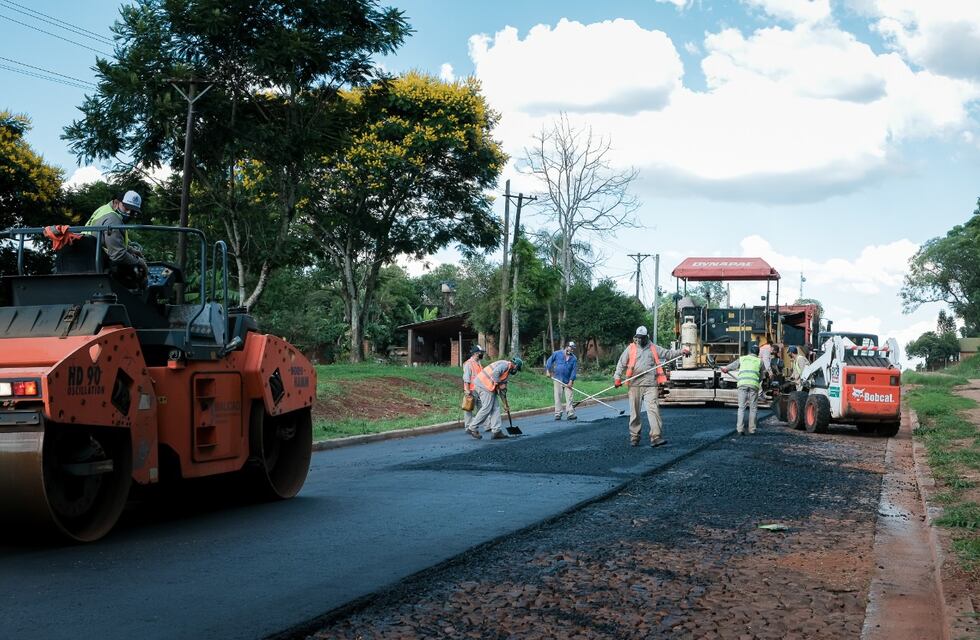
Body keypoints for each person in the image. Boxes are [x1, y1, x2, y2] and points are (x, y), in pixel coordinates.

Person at [614, 326, 688, 447]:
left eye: (642, 338)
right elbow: (621, 363)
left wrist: (681, 352)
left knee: (653, 410)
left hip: (650, 384)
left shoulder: (653, 348)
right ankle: (634, 437)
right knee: (635, 412)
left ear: (647, 337)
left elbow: (668, 354)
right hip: (634, 385)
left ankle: (656, 437)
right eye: (638, 338)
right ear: (635, 337)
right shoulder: (631, 348)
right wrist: (617, 377)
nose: (640, 340)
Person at [85, 190, 147, 289]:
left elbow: (106, 241)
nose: (128, 213)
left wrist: (130, 249)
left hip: (87, 257)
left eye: (133, 211)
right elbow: (118, 255)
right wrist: (139, 262)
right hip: (97, 264)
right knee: (136, 277)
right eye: (126, 207)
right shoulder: (114, 220)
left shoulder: (103, 209)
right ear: (116, 202)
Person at [467, 357, 524, 440]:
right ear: (515, 365)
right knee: (487, 407)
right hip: (483, 384)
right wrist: (499, 384)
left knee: (496, 408)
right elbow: (495, 373)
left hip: (488, 387)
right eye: (517, 368)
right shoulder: (504, 365)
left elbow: (502, 391)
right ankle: (472, 427)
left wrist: (505, 405)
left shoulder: (506, 373)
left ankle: (496, 431)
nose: (516, 371)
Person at [722, 344, 764, 435]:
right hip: (753, 386)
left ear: (750, 351)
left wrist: (725, 369)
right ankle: (752, 430)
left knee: (741, 408)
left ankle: (740, 430)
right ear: (758, 353)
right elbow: (761, 377)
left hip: (742, 385)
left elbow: (731, 366)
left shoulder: (742, 358)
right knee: (753, 408)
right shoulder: (760, 361)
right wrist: (755, 381)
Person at [545, 341, 578, 421]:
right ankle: (558, 414)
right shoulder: (557, 353)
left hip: (568, 381)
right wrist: (548, 371)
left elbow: (574, 371)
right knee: (557, 397)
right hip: (558, 379)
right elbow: (549, 361)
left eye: (573, 349)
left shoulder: (573, 359)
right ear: (567, 347)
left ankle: (570, 413)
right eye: (571, 348)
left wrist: (571, 381)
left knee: (569, 397)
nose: (572, 350)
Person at [461, 344, 486, 433]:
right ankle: (468, 427)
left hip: (479, 390)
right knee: (468, 409)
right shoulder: (468, 364)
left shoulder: (478, 363)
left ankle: (474, 425)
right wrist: (467, 390)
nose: (482, 354)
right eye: (480, 353)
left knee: (482, 408)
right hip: (471, 390)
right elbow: (466, 378)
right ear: (475, 354)